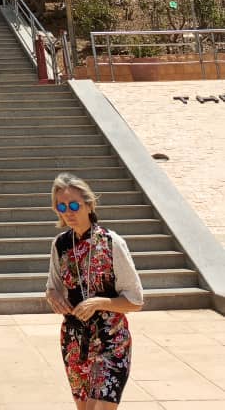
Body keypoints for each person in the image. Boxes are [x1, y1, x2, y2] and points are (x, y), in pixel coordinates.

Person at [46, 172, 144, 409]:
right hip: (75, 341)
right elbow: (52, 288)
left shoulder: (112, 243)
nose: (68, 211)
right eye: (61, 206)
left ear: (89, 205)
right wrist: (54, 297)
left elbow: (136, 300)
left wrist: (99, 302)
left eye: (73, 205)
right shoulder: (60, 244)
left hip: (111, 339)